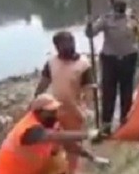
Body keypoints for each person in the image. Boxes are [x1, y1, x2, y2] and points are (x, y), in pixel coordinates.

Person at [86, 0, 139, 138]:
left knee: (126, 91)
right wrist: (89, 24)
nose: (121, 5)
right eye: (118, 2)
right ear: (112, 4)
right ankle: (106, 126)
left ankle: (125, 122)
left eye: (123, 1)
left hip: (129, 58)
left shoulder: (133, 19)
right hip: (110, 60)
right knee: (108, 92)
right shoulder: (106, 20)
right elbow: (91, 34)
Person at [0, 94, 109, 174]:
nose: (55, 114)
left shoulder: (50, 122)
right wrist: (88, 134)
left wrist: (92, 157)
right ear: (38, 112)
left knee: (59, 161)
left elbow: (67, 143)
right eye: (50, 112)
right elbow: (51, 136)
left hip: (33, 168)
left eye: (55, 110)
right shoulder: (29, 129)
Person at [33, 32, 93, 174]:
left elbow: (89, 90)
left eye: (70, 43)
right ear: (57, 47)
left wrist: (85, 110)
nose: (68, 47)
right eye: (64, 44)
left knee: (73, 148)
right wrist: (36, 100)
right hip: (53, 112)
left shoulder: (83, 64)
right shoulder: (51, 63)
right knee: (53, 147)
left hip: (74, 112)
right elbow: (44, 82)